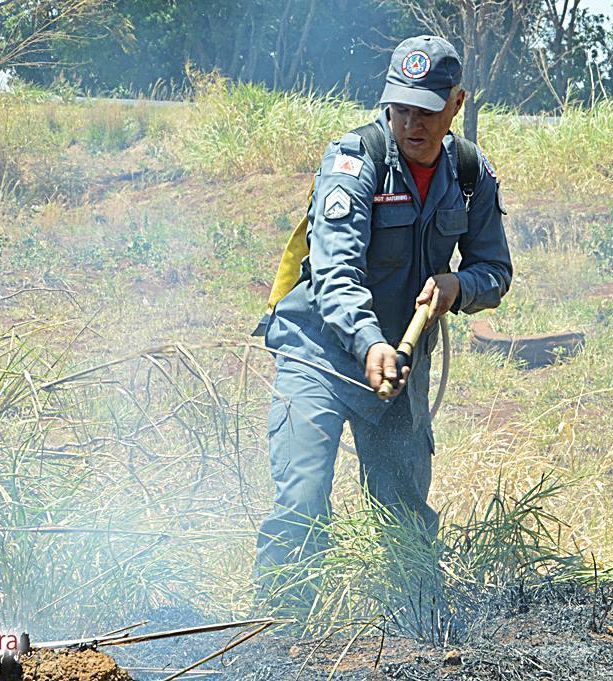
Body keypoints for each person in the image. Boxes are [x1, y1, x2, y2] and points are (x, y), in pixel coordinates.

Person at [255, 35, 513, 604]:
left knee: (404, 514)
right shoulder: (355, 160)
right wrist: (370, 343)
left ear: (457, 104)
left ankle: (420, 636)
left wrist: (458, 287)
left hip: (397, 371)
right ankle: (274, 636)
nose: (411, 123)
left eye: (427, 109)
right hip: (320, 354)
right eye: (401, 107)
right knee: (301, 502)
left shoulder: (470, 174)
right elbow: (336, 274)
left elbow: (495, 271)